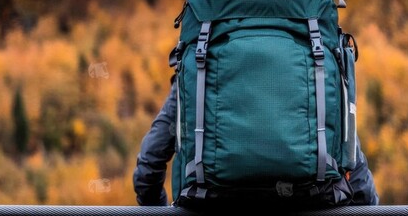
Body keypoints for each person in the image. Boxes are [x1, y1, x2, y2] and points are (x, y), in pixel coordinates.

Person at [133, 78, 380, 206]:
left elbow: (149, 166)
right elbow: (354, 172)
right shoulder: (318, 53)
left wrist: (161, 209)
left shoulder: (199, 60)